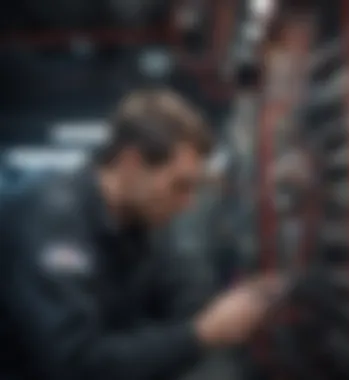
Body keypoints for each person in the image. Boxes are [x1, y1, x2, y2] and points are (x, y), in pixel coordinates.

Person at [0, 89, 286, 380]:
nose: (188, 203)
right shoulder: (52, 223)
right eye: (179, 186)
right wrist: (198, 335)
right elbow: (74, 363)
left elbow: (184, 293)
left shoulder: (141, 226)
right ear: (131, 163)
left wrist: (243, 305)